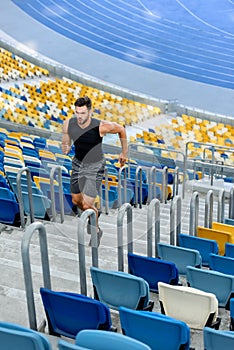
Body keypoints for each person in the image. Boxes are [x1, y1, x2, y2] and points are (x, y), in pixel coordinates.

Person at [61, 95, 128, 245]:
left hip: (95, 166)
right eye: (77, 112)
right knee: (75, 200)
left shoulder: (101, 126)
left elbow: (121, 130)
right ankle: (93, 214)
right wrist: (65, 144)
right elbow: (66, 136)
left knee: (86, 204)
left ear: (90, 112)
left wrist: (124, 153)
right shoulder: (69, 123)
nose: (79, 116)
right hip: (78, 164)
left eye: (83, 113)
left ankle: (96, 229)